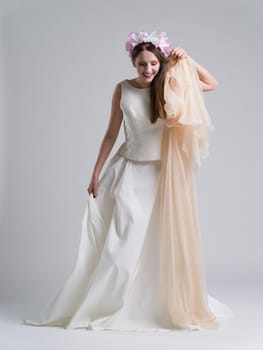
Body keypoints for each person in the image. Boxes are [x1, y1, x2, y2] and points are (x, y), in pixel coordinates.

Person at [24, 30, 233, 332]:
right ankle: (109, 302)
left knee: (159, 242)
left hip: (162, 177)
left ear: (160, 64)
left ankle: (156, 304)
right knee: (121, 242)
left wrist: (189, 59)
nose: (148, 70)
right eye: (142, 65)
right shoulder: (122, 89)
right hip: (129, 173)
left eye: (153, 64)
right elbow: (111, 134)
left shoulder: (172, 86)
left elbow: (212, 84)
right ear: (133, 63)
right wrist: (95, 172)